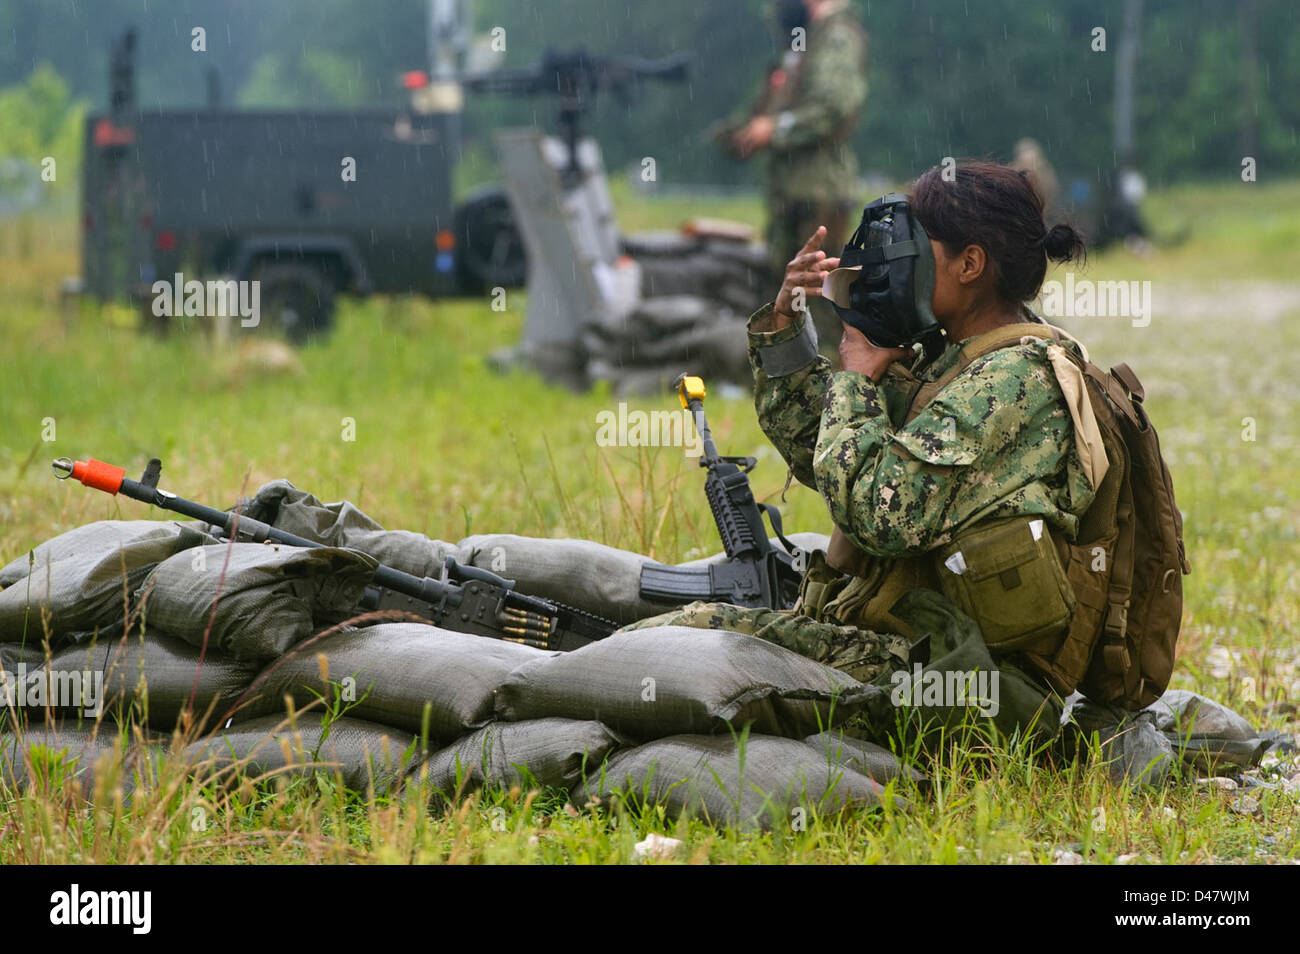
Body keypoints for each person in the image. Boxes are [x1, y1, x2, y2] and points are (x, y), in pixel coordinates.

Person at [621, 161, 1093, 742]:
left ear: (971, 265)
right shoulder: (952, 355)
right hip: (912, 637)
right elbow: (828, 453)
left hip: (960, 673)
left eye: (919, 247)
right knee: (666, 637)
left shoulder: (1013, 380)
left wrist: (859, 379)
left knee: (684, 638)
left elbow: (876, 514)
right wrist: (786, 323)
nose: (902, 261)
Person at [722, 0, 867, 345]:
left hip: (818, 192)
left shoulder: (836, 37)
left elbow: (834, 106)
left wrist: (776, 130)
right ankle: (793, 380)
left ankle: (830, 385)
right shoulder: (806, 39)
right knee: (788, 294)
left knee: (822, 301)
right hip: (793, 190)